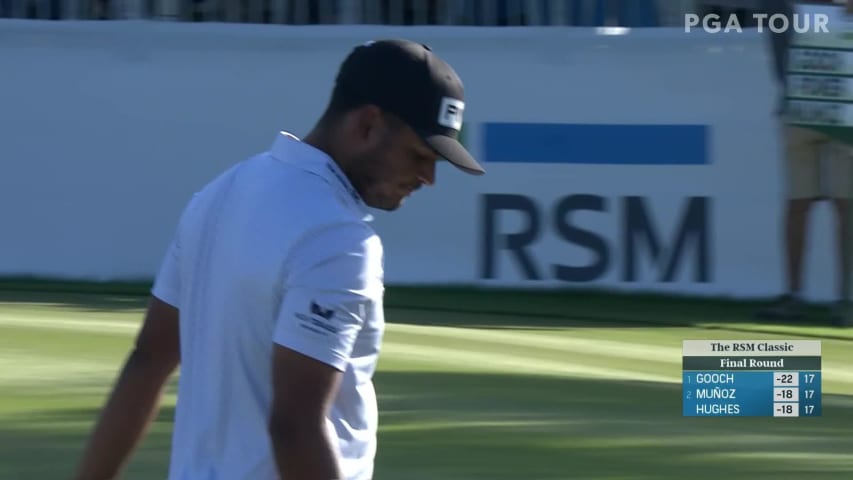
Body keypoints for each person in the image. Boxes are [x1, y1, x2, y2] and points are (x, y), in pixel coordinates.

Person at [72, 38, 485, 480]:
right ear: (368, 123)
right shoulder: (339, 238)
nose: (429, 177)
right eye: (419, 155)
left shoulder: (220, 193)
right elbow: (295, 427)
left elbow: (148, 360)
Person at [756, 0, 852, 327]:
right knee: (801, 203)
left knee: (842, 205)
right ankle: (799, 295)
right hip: (804, 105)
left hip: (840, 107)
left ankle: (843, 298)